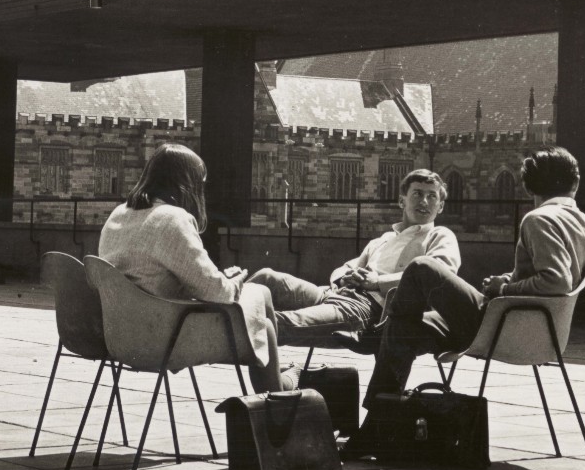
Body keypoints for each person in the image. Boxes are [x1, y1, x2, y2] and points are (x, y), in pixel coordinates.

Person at [360, 146, 585, 407]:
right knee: (402, 329)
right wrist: (506, 279)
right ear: (574, 182)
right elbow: (555, 275)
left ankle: (376, 340)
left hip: (505, 325)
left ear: (530, 187)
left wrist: (504, 287)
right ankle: (377, 425)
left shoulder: (539, 219)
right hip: (539, 331)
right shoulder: (580, 222)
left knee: (422, 268)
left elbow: (555, 281)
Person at [98, 143, 297, 394]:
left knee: (261, 313)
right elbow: (217, 294)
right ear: (187, 185)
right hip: (161, 337)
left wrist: (216, 280)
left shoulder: (119, 213)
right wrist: (233, 281)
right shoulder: (172, 218)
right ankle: (277, 399)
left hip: (118, 335)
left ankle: (278, 390)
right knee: (263, 312)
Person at [247, 170, 459, 346]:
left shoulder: (440, 235)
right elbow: (346, 267)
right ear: (402, 201)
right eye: (417, 194)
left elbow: (439, 274)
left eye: (432, 196)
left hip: (368, 309)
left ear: (440, 206)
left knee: (279, 323)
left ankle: (228, 333)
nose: (424, 201)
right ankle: (219, 313)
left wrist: (377, 282)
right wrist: (346, 276)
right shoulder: (383, 239)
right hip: (334, 293)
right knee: (267, 278)